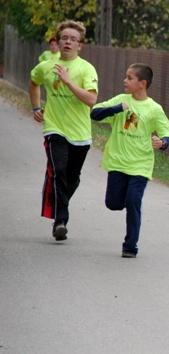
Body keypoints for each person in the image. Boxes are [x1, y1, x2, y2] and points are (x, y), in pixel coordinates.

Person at [90, 63, 169, 258]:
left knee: (133, 201)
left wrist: (162, 143)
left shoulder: (154, 109)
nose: (125, 81)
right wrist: (117, 108)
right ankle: (125, 202)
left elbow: (167, 133)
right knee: (113, 203)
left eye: (129, 78)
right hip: (118, 162)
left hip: (140, 165)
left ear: (142, 83)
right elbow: (94, 113)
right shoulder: (121, 100)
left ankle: (130, 246)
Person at [29, 20, 99, 241]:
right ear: (58, 42)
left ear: (80, 46)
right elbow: (33, 83)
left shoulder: (86, 69)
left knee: (72, 177)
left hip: (80, 134)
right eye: (64, 38)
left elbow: (91, 99)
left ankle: (57, 202)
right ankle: (60, 221)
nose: (68, 42)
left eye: (73, 39)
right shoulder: (46, 66)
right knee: (59, 170)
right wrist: (37, 107)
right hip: (54, 128)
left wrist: (68, 81)